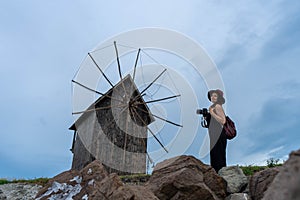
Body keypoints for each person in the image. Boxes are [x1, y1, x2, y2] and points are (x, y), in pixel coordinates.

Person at [206, 89, 227, 172]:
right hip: (213, 135)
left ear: (218, 98)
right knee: (214, 156)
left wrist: (212, 113)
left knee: (219, 157)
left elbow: (223, 121)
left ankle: (221, 175)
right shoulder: (212, 107)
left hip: (219, 135)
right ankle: (216, 175)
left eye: (215, 95)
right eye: (212, 95)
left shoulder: (217, 106)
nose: (212, 97)